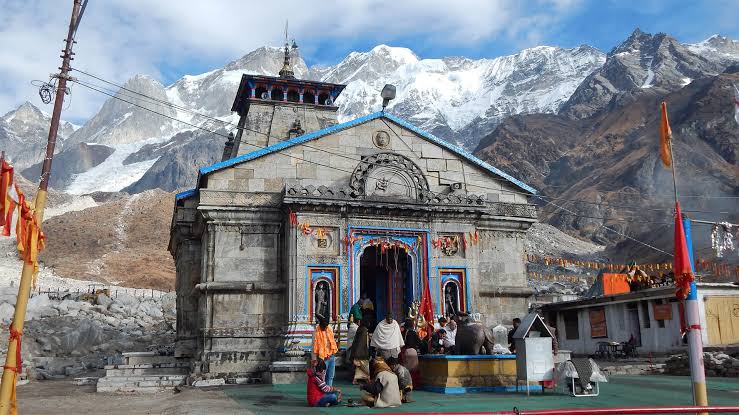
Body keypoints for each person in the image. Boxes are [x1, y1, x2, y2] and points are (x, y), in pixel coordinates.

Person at [311, 316, 338, 385]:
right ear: (320, 325)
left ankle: (328, 392)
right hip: (322, 359)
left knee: (331, 376)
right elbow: (313, 347)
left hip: (331, 356)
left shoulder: (329, 329)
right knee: (322, 377)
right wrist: (314, 360)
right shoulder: (316, 332)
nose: (325, 328)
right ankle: (323, 393)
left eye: (326, 326)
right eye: (324, 326)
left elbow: (332, 342)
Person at [349, 320, 370, 384]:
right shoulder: (364, 330)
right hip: (361, 352)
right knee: (365, 367)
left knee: (359, 368)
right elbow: (362, 342)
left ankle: (355, 380)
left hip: (357, 351)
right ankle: (367, 379)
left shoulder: (360, 328)